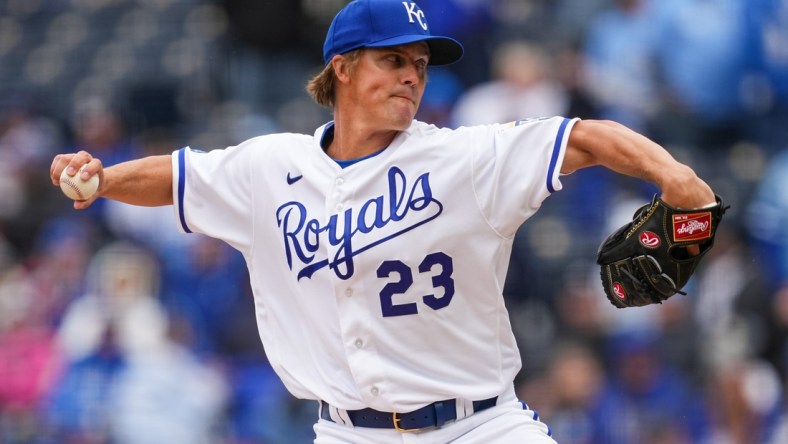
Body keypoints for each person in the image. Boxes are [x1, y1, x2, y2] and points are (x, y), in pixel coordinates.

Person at [49, 0, 717, 442]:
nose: (412, 76)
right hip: (347, 431)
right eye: (393, 59)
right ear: (341, 68)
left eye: (420, 65)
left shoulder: (464, 157)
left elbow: (588, 137)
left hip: (478, 428)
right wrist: (104, 180)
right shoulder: (269, 167)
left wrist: (678, 180)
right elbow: (177, 176)